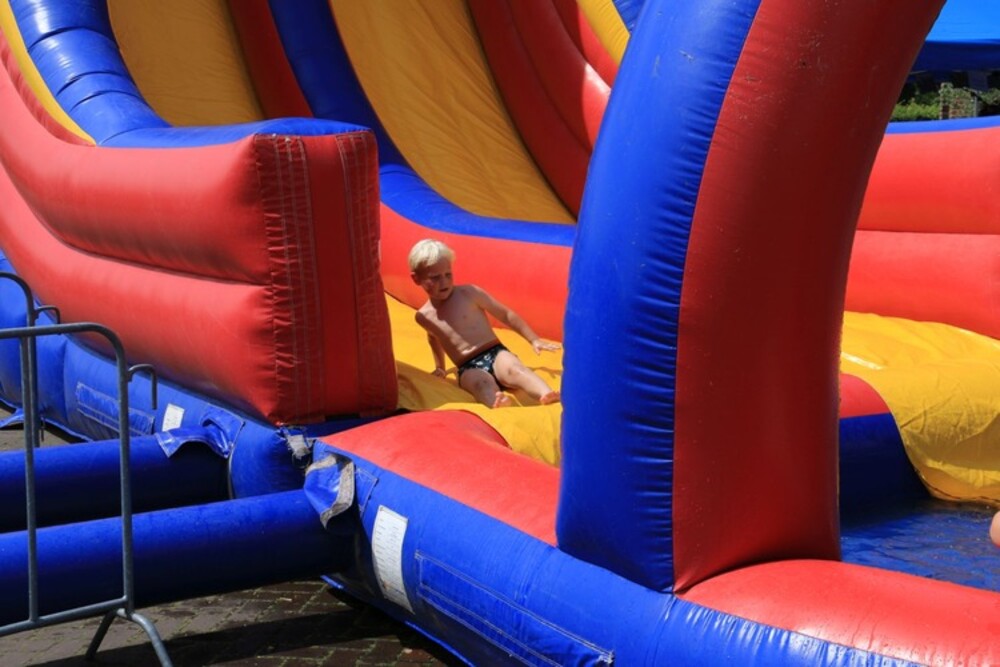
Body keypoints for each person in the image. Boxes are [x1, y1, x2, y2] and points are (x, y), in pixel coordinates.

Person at [408, 239, 561, 408]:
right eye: (435, 277)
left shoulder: (468, 293)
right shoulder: (423, 316)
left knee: (515, 369)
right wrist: (440, 368)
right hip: (468, 366)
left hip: (495, 352)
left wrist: (533, 339)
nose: (444, 282)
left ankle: (546, 393)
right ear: (416, 279)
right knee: (480, 384)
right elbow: (434, 338)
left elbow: (506, 314)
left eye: (448, 274)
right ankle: (497, 402)